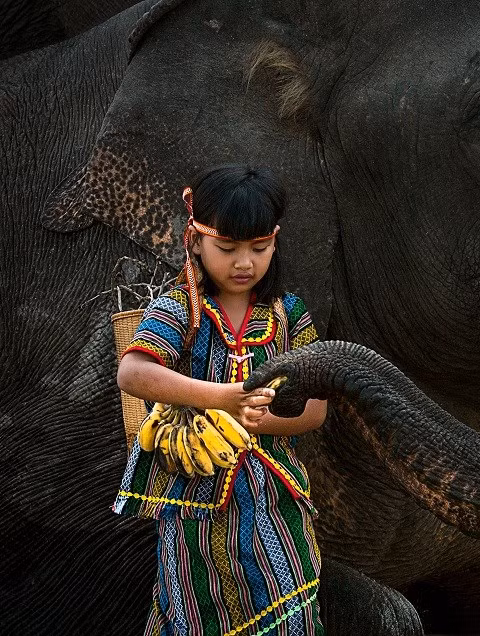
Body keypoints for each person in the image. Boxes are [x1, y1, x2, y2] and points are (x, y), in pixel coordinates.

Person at [113, 164, 327, 636]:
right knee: (196, 613)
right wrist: (223, 399)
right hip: (193, 499)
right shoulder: (179, 308)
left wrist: (256, 421)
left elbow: (315, 409)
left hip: (277, 496)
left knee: (292, 613)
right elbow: (133, 371)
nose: (244, 263)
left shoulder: (289, 315)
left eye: (260, 248)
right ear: (195, 242)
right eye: (227, 249)